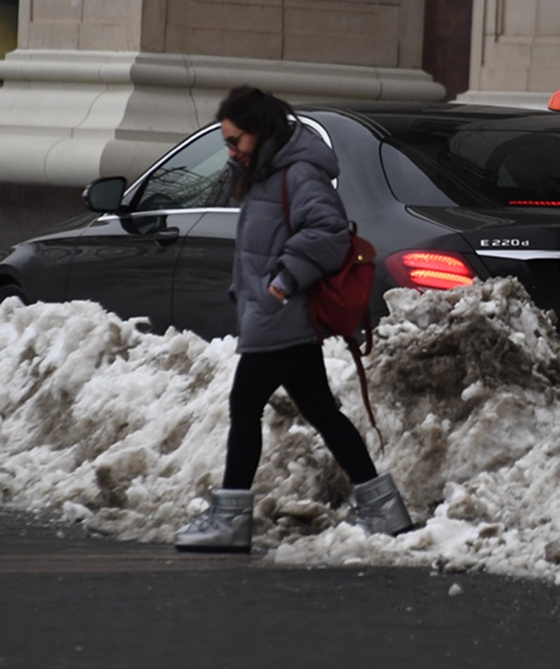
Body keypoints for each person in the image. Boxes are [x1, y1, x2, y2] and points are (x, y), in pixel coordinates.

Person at [174, 86, 411, 552]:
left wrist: (281, 282)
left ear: (261, 134)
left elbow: (328, 233)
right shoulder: (266, 173)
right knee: (321, 410)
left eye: (235, 140)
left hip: (282, 314)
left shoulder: (300, 174)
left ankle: (231, 521)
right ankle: (385, 511)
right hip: (278, 314)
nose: (231, 151)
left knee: (245, 406)